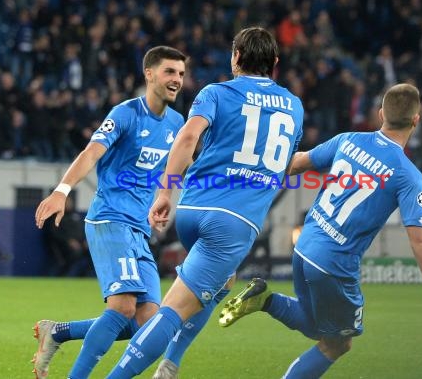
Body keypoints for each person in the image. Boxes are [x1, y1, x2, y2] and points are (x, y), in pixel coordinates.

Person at [220, 83, 422, 378]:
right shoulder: (408, 175)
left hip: (304, 247)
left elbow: (296, 163)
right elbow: (418, 240)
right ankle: (266, 302)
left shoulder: (348, 140)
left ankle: (265, 299)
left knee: (318, 327)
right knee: (337, 344)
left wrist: (242, 175)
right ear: (417, 120)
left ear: (381, 114)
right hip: (334, 264)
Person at [105, 26, 304, 378]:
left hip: (192, 211)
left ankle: (171, 363)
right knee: (172, 311)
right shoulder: (294, 105)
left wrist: (166, 191)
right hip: (233, 223)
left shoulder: (216, 92)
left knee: (220, 283)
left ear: (236, 57)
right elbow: (283, 162)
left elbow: (188, 138)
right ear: (274, 63)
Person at [32, 46, 205, 379]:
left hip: (139, 228)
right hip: (110, 219)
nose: (177, 80)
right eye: (170, 72)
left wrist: (177, 192)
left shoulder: (176, 122)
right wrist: (61, 190)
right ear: (149, 73)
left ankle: (58, 332)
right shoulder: (126, 113)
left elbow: (178, 167)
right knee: (122, 307)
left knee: (148, 322)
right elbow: (91, 152)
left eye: (181, 74)